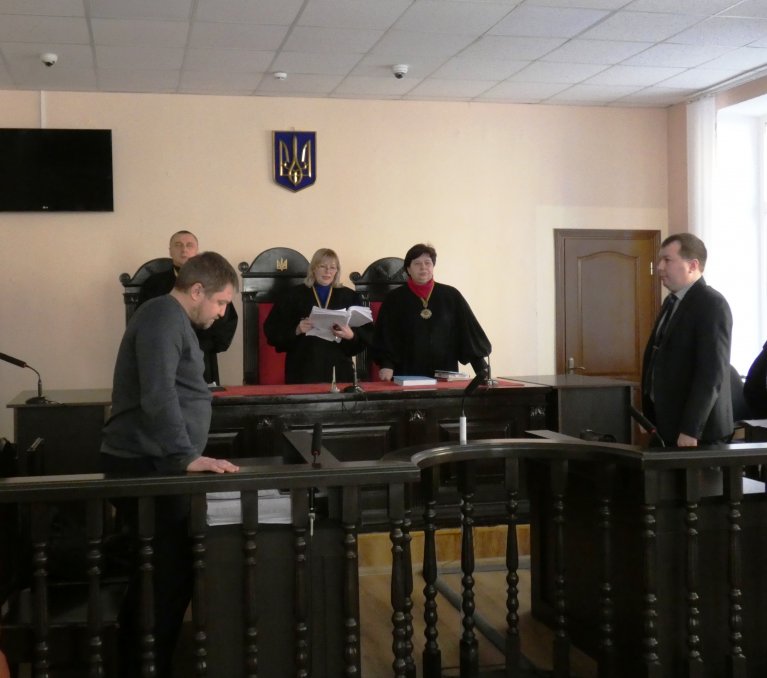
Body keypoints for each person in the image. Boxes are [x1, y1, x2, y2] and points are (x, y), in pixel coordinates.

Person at [101, 251, 241, 677]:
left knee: (167, 574)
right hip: (145, 464)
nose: (222, 313)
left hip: (158, 462)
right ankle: (141, 666)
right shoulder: (162, 316)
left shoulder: (172, 319)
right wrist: (186, 456)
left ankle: (149, 662)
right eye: (220, 302)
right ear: (197, 290)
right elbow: (158, 393)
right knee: (164, 576)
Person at [641, 233, 733, 447]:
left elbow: (711, 373)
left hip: (696, 433)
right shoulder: (671, 302)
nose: (660, 267)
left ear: (692, 266)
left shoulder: (712, 304)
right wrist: (648, 415)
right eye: (660, 260)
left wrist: (691, 429)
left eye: (667, 260)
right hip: (666, 424)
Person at [373, 243, 491, 380]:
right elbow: (386, 335)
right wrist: (386, 365)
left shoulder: (451, 295)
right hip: (406, 374)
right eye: (417, 263)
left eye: (427, 263)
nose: (423, 267)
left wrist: (481, 367)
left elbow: (467, 332)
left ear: (433, 266)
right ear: (408, 269)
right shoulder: (394, 299)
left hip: (445, 373)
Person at [138, 230, 238, 385]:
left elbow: (226, 323)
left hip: (203, 354)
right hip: (163, 356)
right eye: (178, 245)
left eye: (189, 245)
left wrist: (200, 345)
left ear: (196, 250)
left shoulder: (213, 282)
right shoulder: (154, 283)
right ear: (170, 250)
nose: (184, 249)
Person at [264, 248, 373, 383]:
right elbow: (272, 330)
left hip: (339, 368)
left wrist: (351, 335)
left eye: (332, 267)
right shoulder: (293, 296)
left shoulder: (350, 296)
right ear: (313, 269)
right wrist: (296, 330)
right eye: (323, 266)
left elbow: (367, 334)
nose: (328, 271)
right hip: (303, 368)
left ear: (337, 271)